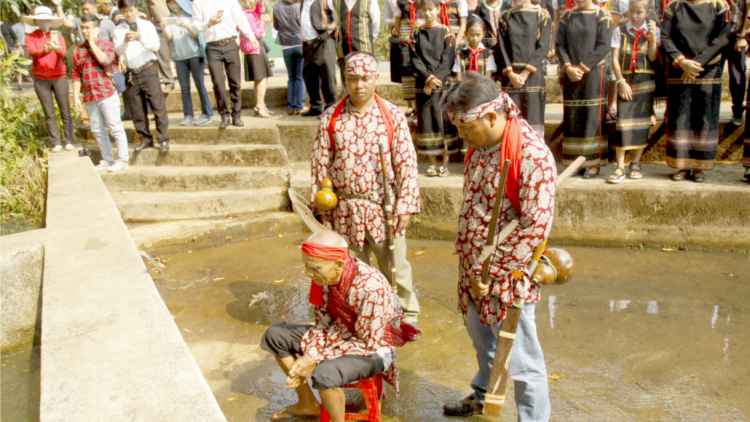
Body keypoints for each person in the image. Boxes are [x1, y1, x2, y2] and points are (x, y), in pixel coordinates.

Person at [441, 73, 555, 420]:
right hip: (475, 270)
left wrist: (493, 272)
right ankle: (482, 395)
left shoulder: (531, 155)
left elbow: (535, 226)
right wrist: (474, 270)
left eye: (466, 128)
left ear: (492, 117)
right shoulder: (479, 146)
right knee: (484, 344)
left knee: (521, 359)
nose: (460, 136)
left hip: (507, 277)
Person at [310, 52, 422, 328]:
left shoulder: (392, 116)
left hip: (383, 208)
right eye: (352, 79)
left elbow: (407, 161)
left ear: (376, 79)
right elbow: (319, 164)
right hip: (344, 210)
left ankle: (406, 316)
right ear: (345, 80)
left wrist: (405, 205)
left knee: (395, 267)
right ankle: (357, 316)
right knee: (349, 271)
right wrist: (322, 210)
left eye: (365, 78)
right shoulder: (331, 117)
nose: (359, 85)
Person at [260, 230, 419, 421]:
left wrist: (314, 356)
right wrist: (313, 352)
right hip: (341, 334)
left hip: (375, 346)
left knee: (324, 374)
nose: (308, 274)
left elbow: (367, 341)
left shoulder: (370, 287)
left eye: (314, 268)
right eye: (306, 267)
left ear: (338, 265)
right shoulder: (324, 278)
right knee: (275, 335)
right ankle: (307, 403)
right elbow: (323, 323)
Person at [662, 0, 728, 183]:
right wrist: (682, 62)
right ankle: (681, 164)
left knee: (704, 113)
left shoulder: (718, 5)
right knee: (681, 114)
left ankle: (700, 166)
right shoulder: (673, 7)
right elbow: (665, 36)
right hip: (680, 66)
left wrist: (697, 63)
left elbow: (722, 37)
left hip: (708, 66)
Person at [556, 0, 613, 178]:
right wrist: (568, 67)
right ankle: (574, 162)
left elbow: (603, 45)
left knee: (592, 117)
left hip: (593, 74)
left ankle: (593, 163)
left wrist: (581, 68)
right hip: (571, 74)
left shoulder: (602, 15)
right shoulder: (568, 16)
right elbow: (560, 44)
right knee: (573, 117)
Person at [607, 0, 658, 183]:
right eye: (632, 11)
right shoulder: (619, 31)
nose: (635, 16)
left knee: (642, 122)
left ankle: (636, 161)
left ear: (647, 12)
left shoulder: (653, 31)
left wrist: (652, 36)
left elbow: (652, 57)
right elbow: (614, 59)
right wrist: (621, 81)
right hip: (626, 80)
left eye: (639, 12)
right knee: (623, 122)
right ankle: (620, 165)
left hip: (645, 81)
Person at [73, 15, 130, 172]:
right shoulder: (78, 50)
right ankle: (107, 158)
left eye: (88, 28)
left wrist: (92, 43)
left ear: (96, 29)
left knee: (115, 127)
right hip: (90, 96)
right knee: (98, 130)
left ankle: (123, 159)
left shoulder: (107, 45)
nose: (84, 31)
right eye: (82, 27)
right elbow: (76, 74)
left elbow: (105, 61)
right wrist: (75, 95)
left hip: (106, 92)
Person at [114, 0, 171, 152]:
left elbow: (155, 46)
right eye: (125, 11)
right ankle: (145, 138)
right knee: (137, 109)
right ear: (121, 11)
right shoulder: (119, 29)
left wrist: (140, 38)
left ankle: (163, 138)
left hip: (148, 68)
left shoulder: (147, 25)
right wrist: (125, 41)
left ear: (136, 9)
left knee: (158, 106)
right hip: (132, 72)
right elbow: (118, 51)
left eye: (131, 10)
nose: (129, 14)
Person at [410, 0, 457, 177]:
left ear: (438, 9)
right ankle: (432, 163)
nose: (427, 13)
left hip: (442, 85)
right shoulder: (416, 33)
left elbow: (448, 59)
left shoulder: (447, 33)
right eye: (424, 10)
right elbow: (414, 59)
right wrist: (427, 79)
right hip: (423, 85)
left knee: (443, 122)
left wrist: (435, 80)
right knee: (427, 121)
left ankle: (445, 163)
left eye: (431, 9)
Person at [192, 0, 258, 127]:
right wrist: (208, 24)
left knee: (235, 82)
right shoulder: (199, 2)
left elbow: (240, 19)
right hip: (212, 46)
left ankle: (237, 115)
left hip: (231, 43)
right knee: (218, 82)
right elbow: (194, 25)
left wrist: (250, 35)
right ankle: (224, 115)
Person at [23, 6, 74, 153]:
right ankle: (56, 142)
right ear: (36, 21)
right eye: (42, 20)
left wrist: (57, 49)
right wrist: (44, 50)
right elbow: (32, 52)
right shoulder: (30, 37)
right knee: (49, 112)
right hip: (40, 78)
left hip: (58, 76)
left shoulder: (57, 36)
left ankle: (69, 140)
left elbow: (63, 53)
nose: (45, 22)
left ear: (51, 21)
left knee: (65, 109)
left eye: (47, 19)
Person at [497, 0, 551, 136]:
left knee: (533, 117)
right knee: (511, 119)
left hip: (533, 75)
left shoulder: (542, 15)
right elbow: (501, 47)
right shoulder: (505, 17)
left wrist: (525, 74)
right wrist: (510, 73)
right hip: (511, 76)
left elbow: (543, 46)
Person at [161, 0, 214, 126]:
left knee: (200, 85)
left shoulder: (191, 15)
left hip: (195, 55)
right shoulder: (169, 19)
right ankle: (188, 115)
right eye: (170, 3)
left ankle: (207, 114)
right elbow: (168, 37)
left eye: (175, 3)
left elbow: (197, 35)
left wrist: (186, 26)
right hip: (179, 57)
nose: (173, 5)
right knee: (184, 88)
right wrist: (163, 26)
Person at [299, 0, 338, 117]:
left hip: (323, 41)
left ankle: (331, 108)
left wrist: (330, 29)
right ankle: (316, 106)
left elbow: (338, 16)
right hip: (308, 44)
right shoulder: (303, 2)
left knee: (327, 75)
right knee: (309, 75)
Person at [333, 0, 381, 89]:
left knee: (367, 81)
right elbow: (337, 23)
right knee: (347, 82)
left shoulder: (369, 1)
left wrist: (366, 40)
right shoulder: (336, 2)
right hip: (344, 49)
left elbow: (376, 24)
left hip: (364, 48)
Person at [239, 0, 274, 118]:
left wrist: (260, 2)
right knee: (261, 77)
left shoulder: (249, 12)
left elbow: (259, 11)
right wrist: (263, 22)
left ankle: (260, 104)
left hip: (255, 48)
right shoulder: (247, 15)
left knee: (260, 77)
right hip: (255, 48)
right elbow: (256, 33)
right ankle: (259, 106)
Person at [273, 0, 307, 115]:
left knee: (291, 77)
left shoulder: (276, 7)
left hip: (285, 44)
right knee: (300, 76)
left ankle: (291, 106)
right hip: (299, 43)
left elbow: (276, 26)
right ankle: (300, 106)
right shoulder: (300, 6)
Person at [393, 0, 420, 118]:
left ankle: (419, 104)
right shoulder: (400, 2)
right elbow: (397, 24)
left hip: (422, 38)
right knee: (407, 71)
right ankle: (410, 105)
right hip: (406, 40)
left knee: (420, 70)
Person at [724, 0, 749, 125]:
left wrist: (742, 36)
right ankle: (708, 111)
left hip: (737, 35)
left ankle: (738, 110)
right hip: (717, 36)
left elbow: (749, 10)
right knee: (712, 73)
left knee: (737, 73)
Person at [142, 0, 176, 90]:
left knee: (182, 51)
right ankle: (169, 82)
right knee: (162, 54)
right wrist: (148, 25)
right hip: (158, 24)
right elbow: (147, 9)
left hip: (175, 20)